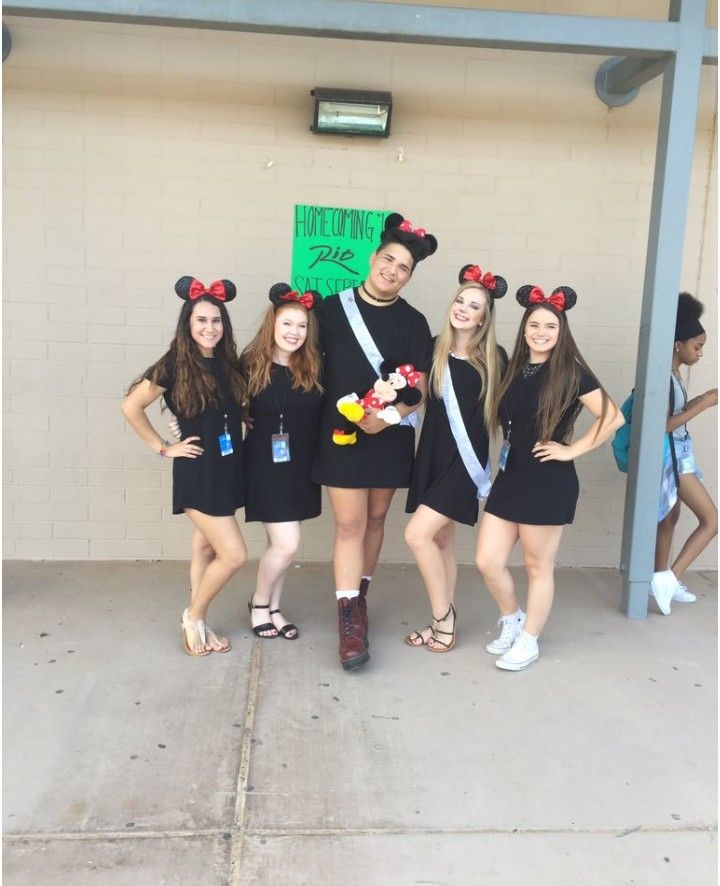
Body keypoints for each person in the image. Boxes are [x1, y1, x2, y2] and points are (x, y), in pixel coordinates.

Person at [311, 213, 437, 670]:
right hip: (341, 435)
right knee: (349, 523)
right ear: (373, 258)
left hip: (387, 434)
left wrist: (389, 416)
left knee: (377, 518)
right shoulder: (327, 309)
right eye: (389, 260)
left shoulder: (414, 322)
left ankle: (359, 598)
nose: (393, 271)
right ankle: (348, 619)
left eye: (404, 267)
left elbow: (418, 389)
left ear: (409, 275)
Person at [475, 284, 624, 671]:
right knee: (487, 560)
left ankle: (529, 642)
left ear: (561, 333)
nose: (541, 332)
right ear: (524, 329)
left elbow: (613, 417)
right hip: (510, 477)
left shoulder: (572, 372)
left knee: (538, 567)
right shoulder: (515, 368)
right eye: (534, 325)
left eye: (550, 327)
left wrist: (572, 450)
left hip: (547, 481)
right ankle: (512, 619)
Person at [121, 276, 246, 657]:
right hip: (199, 473)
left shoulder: (227, 363)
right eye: (201, 321)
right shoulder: (174, 364)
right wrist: (164, 447)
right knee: (234, 555)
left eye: (216, 320)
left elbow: (227, 412)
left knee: (205, 549)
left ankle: (200, 622)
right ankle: (194, 615)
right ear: (188, 325)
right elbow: (130, 406)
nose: (210, 328)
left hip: (227, 469)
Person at [404, 264, 508, 652]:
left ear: (484, 318)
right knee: (442, 540)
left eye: (474, 305)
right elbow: (414, 398)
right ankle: (441, 618)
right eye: (460, 300)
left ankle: (442, 619)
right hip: (432, 454)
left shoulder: (494, 357)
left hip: (464, 463)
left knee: (417, 535)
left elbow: (512, 408)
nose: (463, 308)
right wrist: (379, 413)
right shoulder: (434, 348)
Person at [239, 283, 324, 638]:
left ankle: (274, 608)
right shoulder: (249, 364)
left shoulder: (314, 366)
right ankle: (259, 603)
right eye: (287, 324)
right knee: (287, 544)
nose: (294, 332)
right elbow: (218, 404)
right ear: (272, 324)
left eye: (302, 326)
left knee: (282, 546)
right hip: (263, 466)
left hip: (300, 467)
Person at [650, 292, 718, 614]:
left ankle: (661, 576)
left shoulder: (673, 374)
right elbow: (662, 425)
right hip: (674, 461)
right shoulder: (664, 376)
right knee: (711, 519)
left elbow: (673, 415)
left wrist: (699, 399)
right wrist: (703, 405)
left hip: (677, 457)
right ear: (678, 343)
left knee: (670, 517)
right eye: (697, 346)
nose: (700, 353)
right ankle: (669, 579)